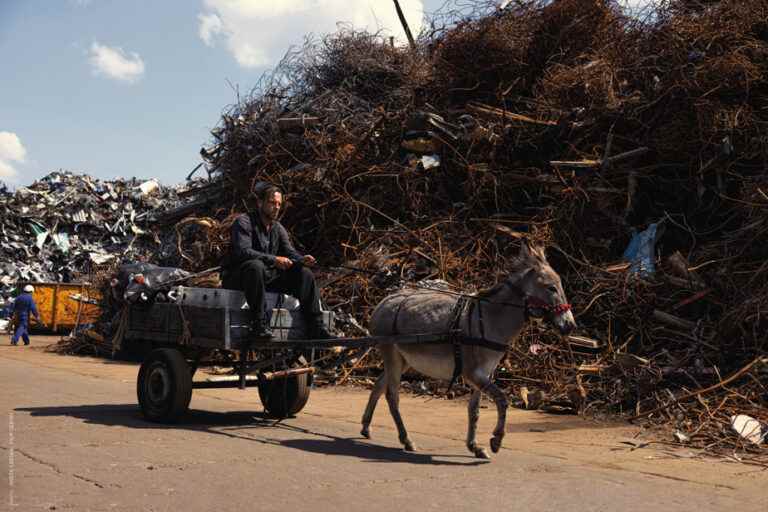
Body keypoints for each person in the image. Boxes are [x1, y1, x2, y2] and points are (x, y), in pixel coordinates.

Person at [222, 185, 334, 340]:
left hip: (265, 277)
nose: (276, 207)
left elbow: (289, 251)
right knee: (255, 266)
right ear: (260, 203)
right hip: (240, 277)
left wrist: (301, 260)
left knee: (304, 274)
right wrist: (274, 259)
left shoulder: (277, 228)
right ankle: (259, 324)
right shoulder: (243, 222)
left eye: (279, 204)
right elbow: (243, 252)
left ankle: (315, 325)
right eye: (272, 203)